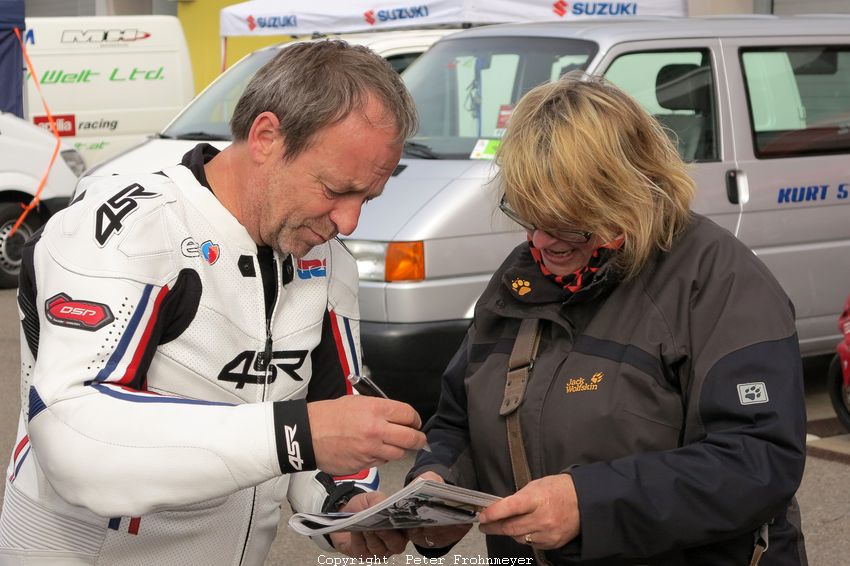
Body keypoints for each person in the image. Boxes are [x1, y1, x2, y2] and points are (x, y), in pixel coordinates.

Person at [0, 40, 426, 565]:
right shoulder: (124, 230)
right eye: (336, 189)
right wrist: (299, 433)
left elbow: (330, 421)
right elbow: (72, 439)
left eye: (368, 198)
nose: (350, 222)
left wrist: (343, 509)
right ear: (266, 136)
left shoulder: (326, 257)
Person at [405, 74, 808, 565]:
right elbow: (460, 418)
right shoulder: (522, 278)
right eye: (529, 217)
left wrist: (589, 504)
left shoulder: (719, 280)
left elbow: (759, 460)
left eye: (569, 225)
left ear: (628, 195)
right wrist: (436, 484)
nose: (543, 243)